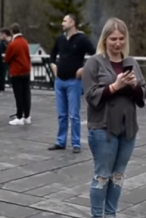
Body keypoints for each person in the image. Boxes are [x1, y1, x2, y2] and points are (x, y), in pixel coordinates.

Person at [82, 18, 146, 218]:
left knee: (118, 175)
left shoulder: (132, 62)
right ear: (105, 39)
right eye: (113, 39)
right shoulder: (94, 63)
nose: (117, 43)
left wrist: (134, 85)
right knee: (102, 175)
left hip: (128, 128)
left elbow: (143, 95)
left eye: (121, 39)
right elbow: (91, 96)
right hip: (102, 127)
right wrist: (115, 86)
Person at [49, 14, 95, 153]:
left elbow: (96, 54)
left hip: (73, 82)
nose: (62, 23)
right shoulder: (60, 39)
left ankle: (76, 143)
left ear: (73, 22)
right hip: (59, 81)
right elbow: (52, 53)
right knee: (62, 114)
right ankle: (60, 141)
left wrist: (84, 68)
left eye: (65, 20)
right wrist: (53, 66)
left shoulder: (81, 40)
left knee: (74, 114)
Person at [4, 23, 31, 126]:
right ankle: (27, 116)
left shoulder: (13, 44)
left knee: (18, 95)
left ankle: (19, 116)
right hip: (26, 71)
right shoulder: (25, 42)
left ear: (12, 32)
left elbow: (7, 59)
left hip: (16, 72)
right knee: (26, 94)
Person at [0, 27, 11, 93]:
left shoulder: (8, 42)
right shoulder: (1, 43)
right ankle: (1, 87)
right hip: (3, 60)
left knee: (3, 74)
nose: (0, 36)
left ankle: (1, 87)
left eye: (1, 35)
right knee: (2, 74)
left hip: (6, 60)